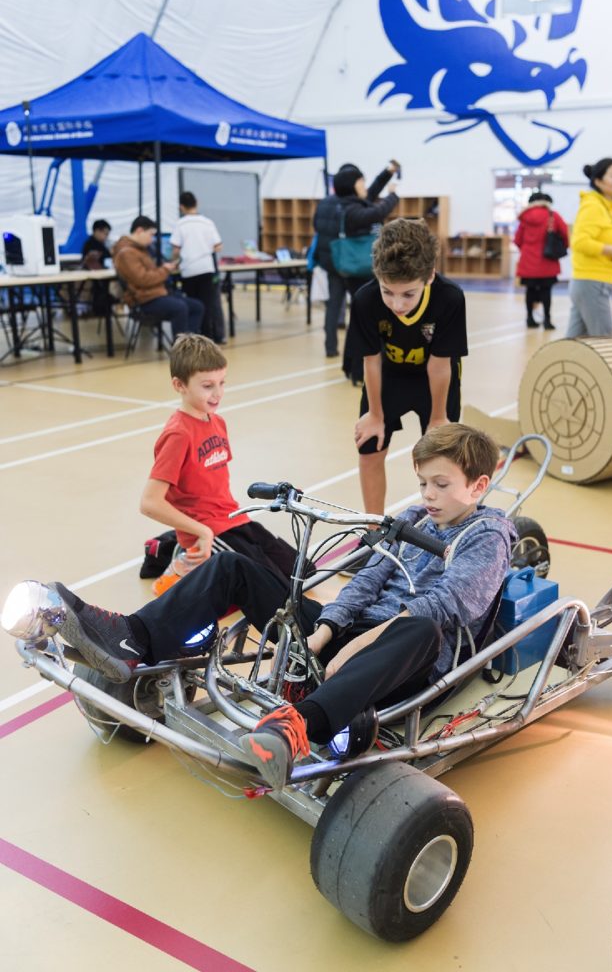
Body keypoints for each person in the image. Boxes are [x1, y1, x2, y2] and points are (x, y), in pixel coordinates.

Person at [31, 424, 515, 791]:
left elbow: (449, 605)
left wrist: (361, 642)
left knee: (422, 628)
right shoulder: (412, 516)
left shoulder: (488, 537)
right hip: (351, 637)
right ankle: (131, 639)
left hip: (410, 655)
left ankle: (296, 728)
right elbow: (366, 581)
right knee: (236, 566)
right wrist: (324, 632)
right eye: (423, 483)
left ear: (478, 486)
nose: (428, 495)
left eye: (442, 485)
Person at [140, 333, 306, 591]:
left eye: (222, 383)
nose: (218, 394)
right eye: (208, 386)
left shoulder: (217, 421)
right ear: (179, 385)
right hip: (208, 532)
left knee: (303, 571)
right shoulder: (178, 434)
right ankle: (181, 567)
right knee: (278, 590)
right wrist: (202, 532)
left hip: (233, 519)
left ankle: (168, 548)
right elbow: (150, 503)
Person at [352, 217, 468, 517]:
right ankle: (374, 530)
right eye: (387, 292)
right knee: (370, 447)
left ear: (429, 276)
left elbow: (441, 365)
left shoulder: (450, 298)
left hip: (435, 381)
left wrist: (439, 417)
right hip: (388, 377)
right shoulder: (365, 300)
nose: (397, 305)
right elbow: (371, 360)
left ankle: (442, 526)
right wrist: (375, 415)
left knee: (442, 459)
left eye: (408, 294)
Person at [313, 161, 399, 370]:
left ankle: (331, 347)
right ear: (352, 183)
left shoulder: (327, 203)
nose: (364, 185)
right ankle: (358, 356)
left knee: (333, 305)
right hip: (353, 265)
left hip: (333, 262)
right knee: (363, 310)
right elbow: (375, 213)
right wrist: (393, 196)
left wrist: (387, 172)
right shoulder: (352, 208)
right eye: (361, 181)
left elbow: (370, 194)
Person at [565, 159, 612, 339]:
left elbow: (604, 237)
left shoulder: (609, 206)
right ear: (598, 181)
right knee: (606, 342)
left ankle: (561, 367)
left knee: (575, 343)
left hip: (596, 283)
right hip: (592, 282)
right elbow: (579, 242)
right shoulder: (593, 206)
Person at [112, 216, 204, 340]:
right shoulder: (126, 253)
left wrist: (163, 270)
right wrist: (165, 270)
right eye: (151, 234)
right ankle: (181, 351)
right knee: (180, 308)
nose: (152, 240)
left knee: (197, 306)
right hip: (144, 300)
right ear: (139, 231)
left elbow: (148, 274)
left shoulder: (139, 250)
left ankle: (190, 345)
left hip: (156, 294)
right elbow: (143, 279)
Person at [170, 192, 225, 344]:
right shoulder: (207, 222)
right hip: (206, 269)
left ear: (181, 207)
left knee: (193, 306)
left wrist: (174, 261)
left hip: (189, 271)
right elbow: (218, 246)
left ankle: (194, 339)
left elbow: (175, 250)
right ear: (197, 203)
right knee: (208, 306)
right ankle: (209, 339)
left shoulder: (180, 224)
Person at [514, 191, 569, 330]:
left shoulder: (524, 218)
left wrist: (527, 250)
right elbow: (565, 235)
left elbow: (517, 240)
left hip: (528, 259)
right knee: (546, 291)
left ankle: (530, 318)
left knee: (530, 290)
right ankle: (547, 320)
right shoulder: (553, 216)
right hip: (547, 260)